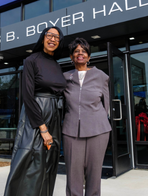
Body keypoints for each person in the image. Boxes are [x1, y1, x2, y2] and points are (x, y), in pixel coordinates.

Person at [4, 26, 66, 196]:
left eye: (57, 37)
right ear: (43, 38)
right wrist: (43, 128)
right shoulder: (31, 60)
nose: (53, 39)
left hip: (54, 113)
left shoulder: (56, 64)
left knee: (49, 161)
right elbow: (28, 96)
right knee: (29, 160)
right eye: (49, 35)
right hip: (36, 113)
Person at [62, 37, 112, 196]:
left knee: (94, 173)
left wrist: (102, 119)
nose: (80, 54)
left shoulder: (101, 76)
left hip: (98, 130)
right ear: (71, 57)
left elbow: (107, 103)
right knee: (73, 174)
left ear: (89, 57)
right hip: (71, 131)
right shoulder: (64, 77)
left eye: (83, 51)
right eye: (76, 51)